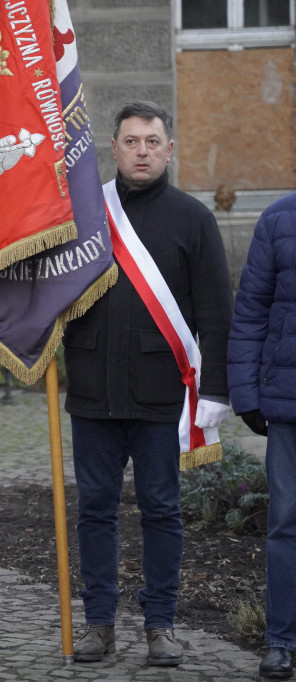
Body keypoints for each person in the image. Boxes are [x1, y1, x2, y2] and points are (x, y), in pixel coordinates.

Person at [63, 100, 233, 666]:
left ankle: (160, 625)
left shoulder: (193, 219)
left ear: (169, 149)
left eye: (152, 142)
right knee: (94, 511)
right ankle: (98, 624)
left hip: (164, 396)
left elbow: (215, 314)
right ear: (114, 149)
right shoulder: (84, 215)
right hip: (91, 390)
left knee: (161, 511)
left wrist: (216, 393)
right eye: (131, 142)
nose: (142, 151)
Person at [228, 192, 296, 680]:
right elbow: (251, 309)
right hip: (289, 402)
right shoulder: (277, 219)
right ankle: (281, 640)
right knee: (286, 523)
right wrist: (246, 392)